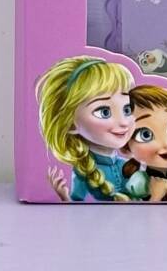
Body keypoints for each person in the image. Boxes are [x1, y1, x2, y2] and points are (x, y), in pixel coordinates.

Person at [36, 56, 136, 202]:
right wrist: (64, 197)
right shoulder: (83, 172)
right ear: (71, 124)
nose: (123, 122)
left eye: (127, 109)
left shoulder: (126, 165)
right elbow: (77, 203)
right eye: (104, 112)